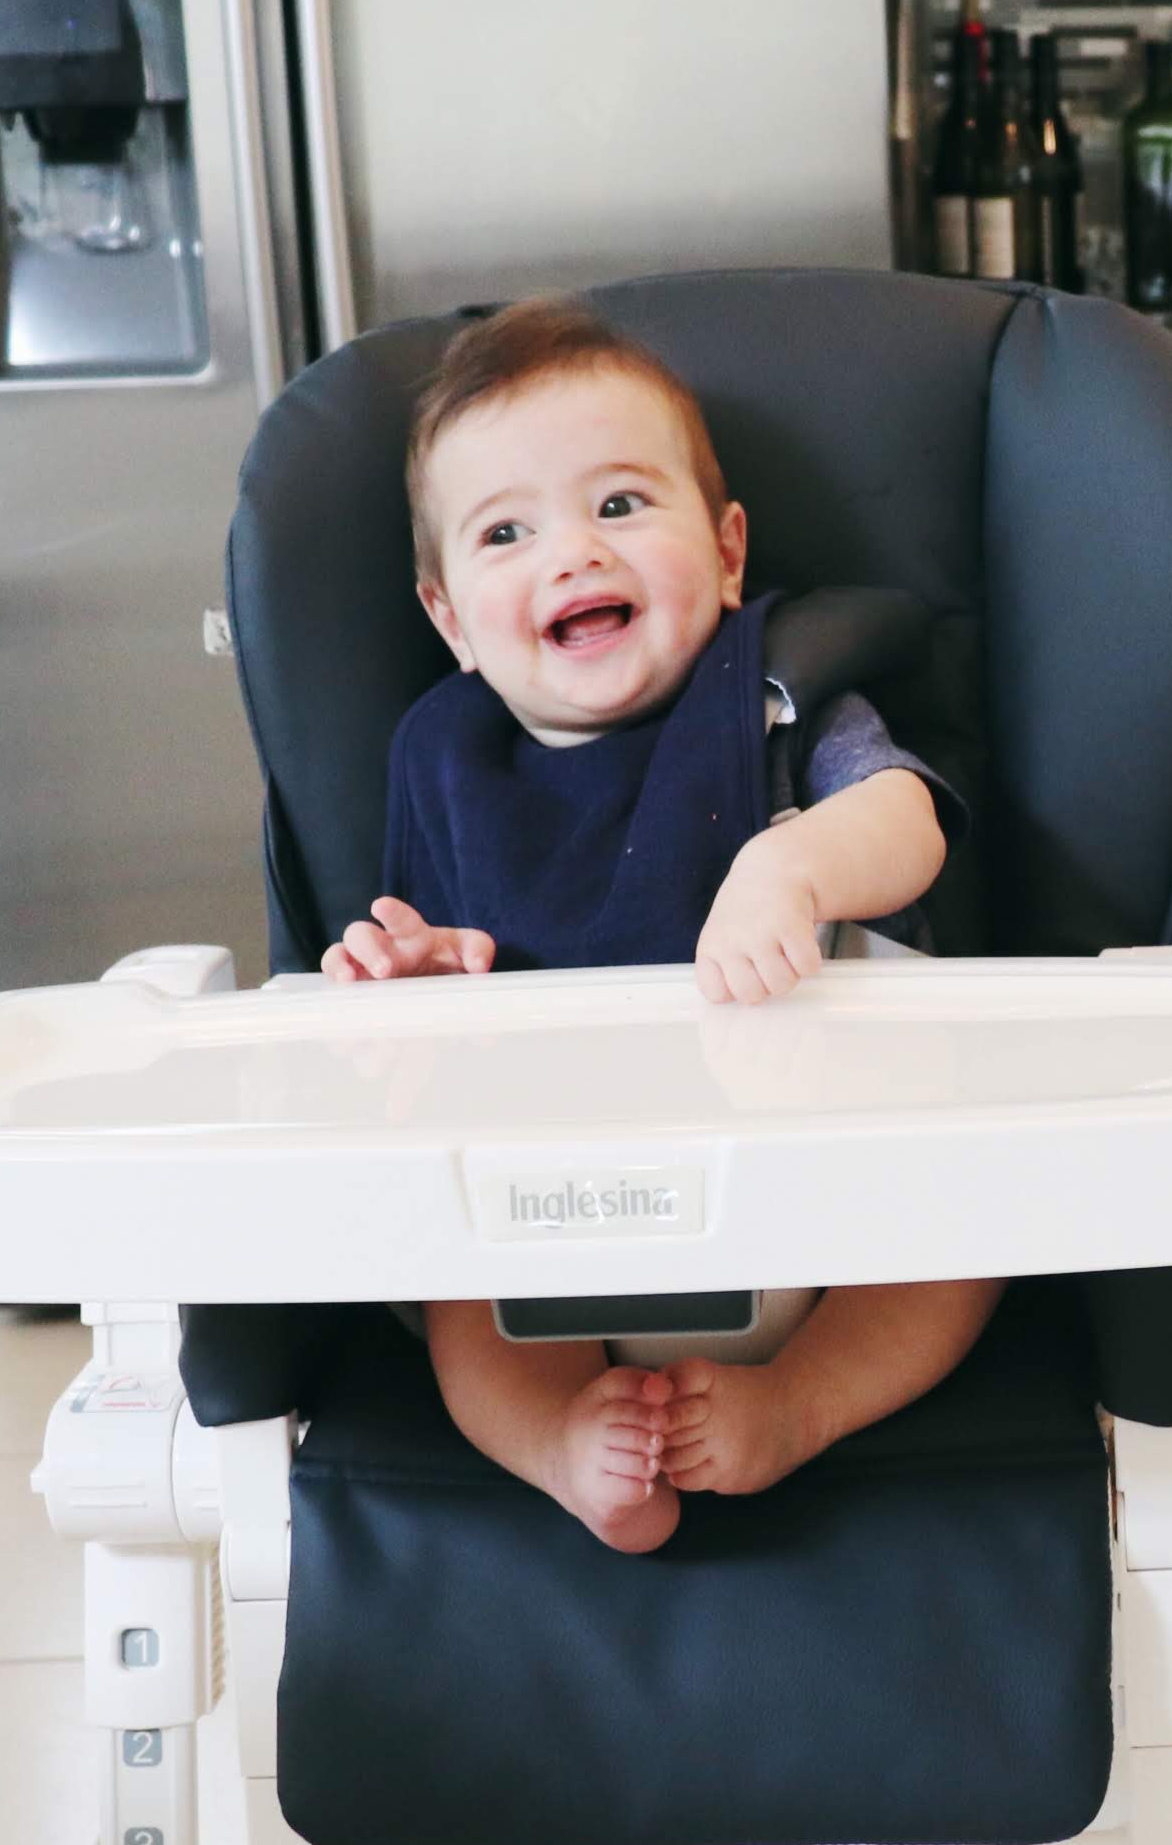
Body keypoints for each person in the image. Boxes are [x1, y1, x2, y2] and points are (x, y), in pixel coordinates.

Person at [325, 297, 999, 1550]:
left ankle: (797, 1403)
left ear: (729, 550)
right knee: (457, 1289)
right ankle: (561, 1445)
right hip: (547, 1234)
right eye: (507, 531)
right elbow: (426, 956)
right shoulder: (443, 759)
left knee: (970, 1229)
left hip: (822, 1204)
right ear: (451, 619)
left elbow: (913, 825)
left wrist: (793, 865)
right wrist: (413, 973)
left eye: (621, 505)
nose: (573, 554)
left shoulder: (781, 696)